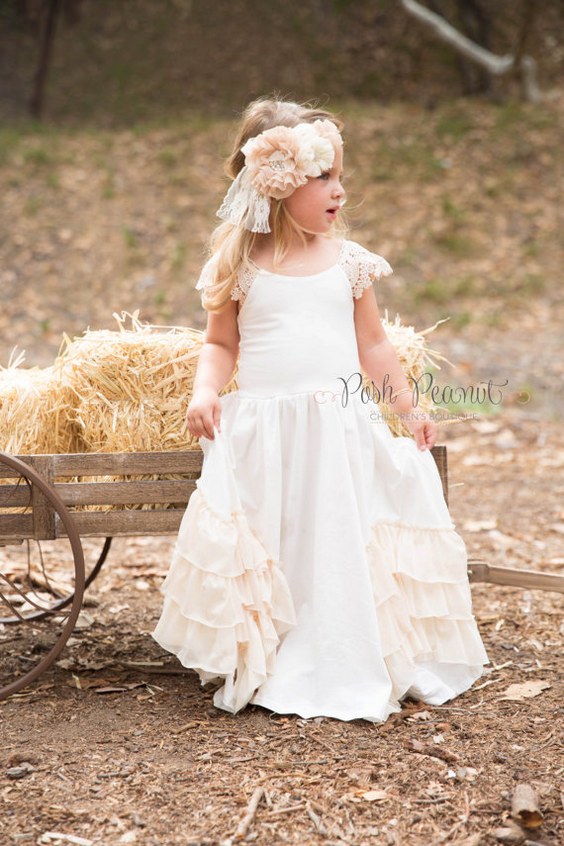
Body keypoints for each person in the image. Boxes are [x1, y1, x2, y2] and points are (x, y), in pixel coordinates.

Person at [152, 96, 490, 722]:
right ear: (274, 185)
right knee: (278, 536)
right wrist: (205, 391)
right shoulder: (239, 266)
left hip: (336, 428)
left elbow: (374, 346)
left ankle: (345, 639)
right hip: (268, 435)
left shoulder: (348, 264)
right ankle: (275, 643)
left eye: (339, 175)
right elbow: (221, 344)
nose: (339, 190)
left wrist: (406, 407)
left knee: (340, 534)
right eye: (322, 177)